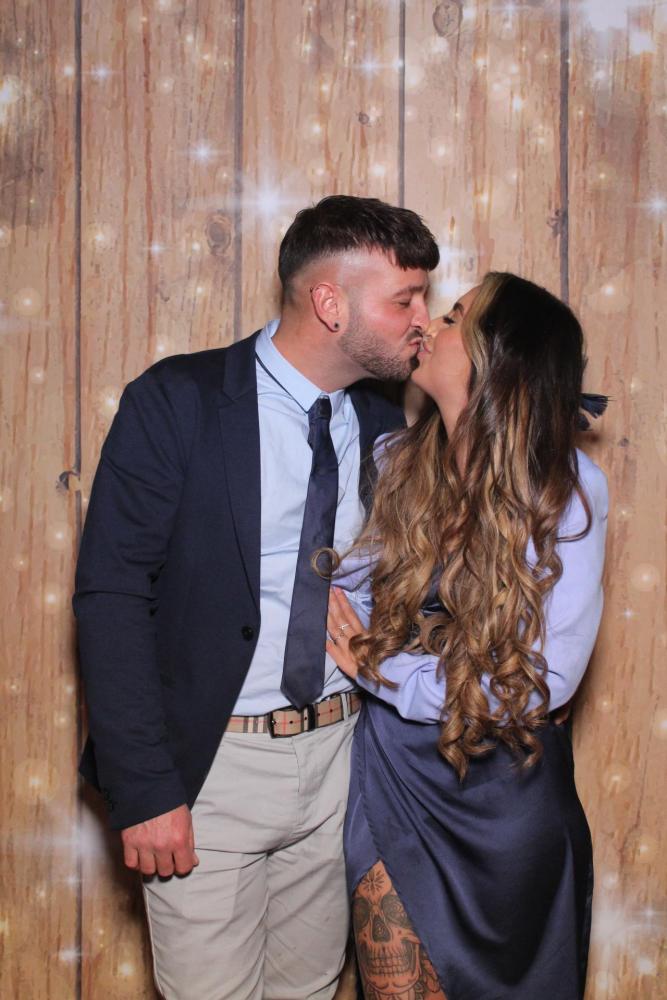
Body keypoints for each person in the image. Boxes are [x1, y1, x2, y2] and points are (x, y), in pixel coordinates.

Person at [73, 195, 440, 999]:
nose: (423, 319)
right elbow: (111, 595)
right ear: (330, 303)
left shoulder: (383, 416)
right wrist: (145, 788)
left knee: (312, 988)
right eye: (405, 299)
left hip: (340, 760)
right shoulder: (178, 400)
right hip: (212, 770)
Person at [325, 272, 608, 1000]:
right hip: (395, 781)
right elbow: (344, 588)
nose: (428, 325)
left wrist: (382, 670)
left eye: (453, 317)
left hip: (507, 795)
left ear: (496, 358)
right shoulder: (395, 461)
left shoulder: (567, 486)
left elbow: (542, 685)